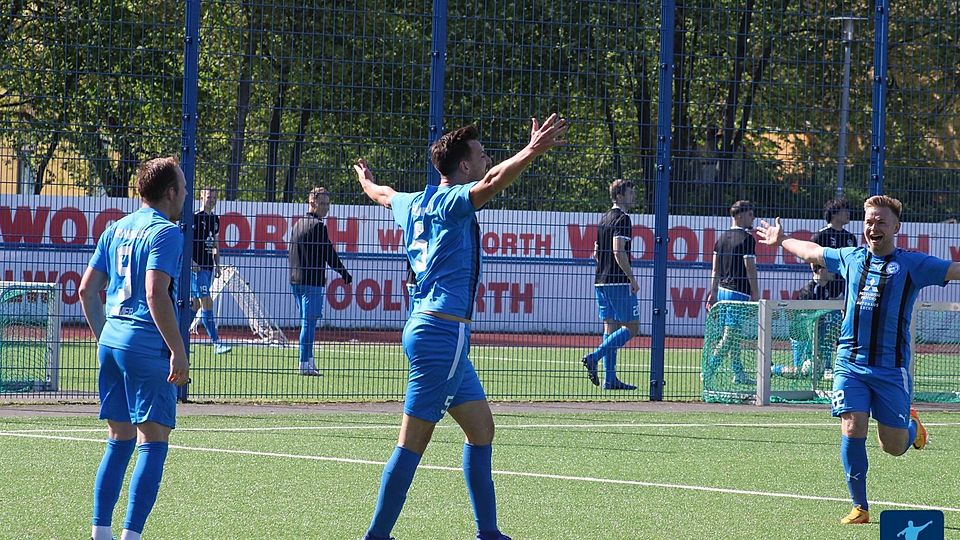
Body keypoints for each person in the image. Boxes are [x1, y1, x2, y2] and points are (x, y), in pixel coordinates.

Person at [354, 114, 569, 540]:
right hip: (443, 334)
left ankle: (488, 532)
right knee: (411, 443)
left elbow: (382, 194)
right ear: (464, 168)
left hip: (432, 331)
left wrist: (365, 179)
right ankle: (376, 537)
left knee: (481, 429)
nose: (486, 155)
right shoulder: (454, 201)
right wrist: (531, 150)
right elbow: (492, 183)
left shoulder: (414, 201)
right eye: (480, 152)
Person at [756, 195, 958, 525]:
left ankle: (912, 428)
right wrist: (782, 240)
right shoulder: (851, 258)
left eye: (880, 221)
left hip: (891, 369)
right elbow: (812, 252)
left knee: (891, 446)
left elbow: (954, 269)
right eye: (868, 221)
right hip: (849, 362)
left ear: (896, 227)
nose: (872, 227)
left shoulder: (913, 264)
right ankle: (859, 506)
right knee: (852, 425)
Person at [78, 156, 190, 540]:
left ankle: (101, 533)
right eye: (184, 187)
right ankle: (132, 536)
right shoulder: (167, 233)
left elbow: (86, 290)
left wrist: (107, 338)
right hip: (145, 345)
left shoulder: (116, 228)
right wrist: (178, 349)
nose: (187, 194)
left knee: (119, 438)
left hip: (112, 342)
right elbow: (155, 292)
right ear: (171, 192)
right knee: (153, 441)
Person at [287, 187, 352, 376]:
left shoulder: (298, 224)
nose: (326, 208)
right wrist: (344, 273)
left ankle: (310, 359)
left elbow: (291, 253)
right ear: (312, 203)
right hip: (312, 282)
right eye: (322, 204)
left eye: (327, 204)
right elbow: (329, 254)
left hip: (296, 281)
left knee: (307, 322)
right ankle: (304, 362)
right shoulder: (318, 226)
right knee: (309, 323)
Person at [580, 179, 638, 390]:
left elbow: (596, 252)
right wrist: (631, 277)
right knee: (632, 327)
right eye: (630, 193)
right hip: (617, 281)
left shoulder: (604, 219)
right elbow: (618, 250)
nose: (634, 196)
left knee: (610, 326)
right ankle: (594, 357)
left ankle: (610, 379)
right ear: (620, 196)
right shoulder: (623, 219)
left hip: (600, 281)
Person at [704, 200, 759, 385]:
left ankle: (738, 372)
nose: (753, 218)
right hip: (738, 293)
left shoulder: (721, 238)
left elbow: (715, 270)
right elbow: (750, 267)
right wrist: (756, 293)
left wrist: (713, 292)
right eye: (750, 214)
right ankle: (708, 369)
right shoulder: (747, 239)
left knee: (733, 336)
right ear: (739, 215)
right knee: (730, 337)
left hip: (722, 291)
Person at [191, 186, 231, 354]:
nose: (212, 200)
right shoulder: (194, 217)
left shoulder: (215, 219)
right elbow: (184, 242)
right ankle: (216, 342)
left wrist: (217, 263)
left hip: (208, 267)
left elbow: (215, 243)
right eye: (209, 197)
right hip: (196, 268)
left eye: (214, 197)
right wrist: (191, 262)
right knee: (207, 301)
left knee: (194, 305)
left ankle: (176, 339)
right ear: (201, 197)